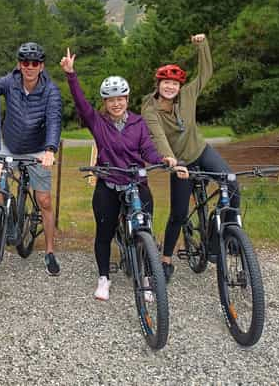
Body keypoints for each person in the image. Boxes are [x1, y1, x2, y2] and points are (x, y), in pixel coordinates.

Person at [60, 48, 186, 301]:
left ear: (127, 99)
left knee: (145, 232)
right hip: (108, 183)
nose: (116, 103)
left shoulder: (138, 123)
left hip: (136, 182)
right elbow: (81, 103)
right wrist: (71, 75)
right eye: (111, 99)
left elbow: (148, 149)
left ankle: (148, 275)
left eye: (121, 98)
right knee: (104, 233)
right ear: (105, 103)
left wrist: (164, 160)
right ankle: (104, 278)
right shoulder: (98, 122)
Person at [141, 33, 237, 283]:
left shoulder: (188, 95)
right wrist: (171, 161)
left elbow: (206, 72)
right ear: (158, 84)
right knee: (179, 213)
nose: (170, 87)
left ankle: (223, 238)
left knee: (232, 184)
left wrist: (203, 46)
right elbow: (158, 136)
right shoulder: (149, 107)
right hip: (180, 161)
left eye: (175, 84)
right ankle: (166, 259)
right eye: (166, 83)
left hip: (201, 151)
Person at [0, 33, 63, 276]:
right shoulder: (10, 82)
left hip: (38, 149)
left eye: (35, 63)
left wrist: (50, 150)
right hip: (10, 147)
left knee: (44, 201)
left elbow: (54, 120)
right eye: (25, 62)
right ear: (19, 64)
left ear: (41, 66)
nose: (30, 67)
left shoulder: (51, 91)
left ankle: (50, 251)